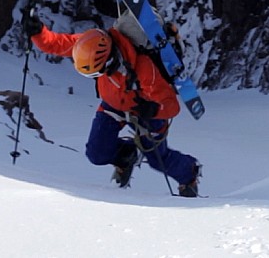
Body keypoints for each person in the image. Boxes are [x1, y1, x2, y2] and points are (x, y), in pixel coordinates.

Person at [23, 12, 201, 197]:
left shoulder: (144, 70)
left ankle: (189, 173)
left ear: (109, 61)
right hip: (114, 103)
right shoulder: (91, 45)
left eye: (98, 72)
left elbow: (171, 106)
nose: (99, 76)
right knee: (96, 153)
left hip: (145, 112)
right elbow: (59, 43)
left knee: (158, 159)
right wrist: (38, 33)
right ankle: (126, 156)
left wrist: (153, 109)